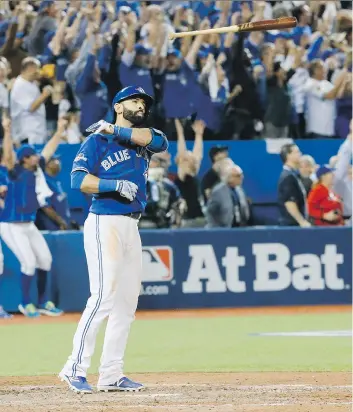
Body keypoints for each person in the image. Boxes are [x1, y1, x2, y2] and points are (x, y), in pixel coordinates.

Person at [59, 86, 168, 394]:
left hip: (132, 226)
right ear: (119, 105)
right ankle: (74, 367)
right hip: (104, 221)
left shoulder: (141, 140)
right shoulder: (97, 140)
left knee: (126, 301)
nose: (141, 106)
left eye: (144, 103)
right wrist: (112, 184)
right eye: (135, 101)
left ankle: (111, 373)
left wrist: (115, 128)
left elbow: (160, 141)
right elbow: (78, 180)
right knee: (104, 296)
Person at [0, 117, 65, 318]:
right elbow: (9, 156)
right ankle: (25, 303)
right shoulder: (15, 172)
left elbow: (49, 149)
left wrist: (59, 130)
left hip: (28, 224)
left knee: (45, 259)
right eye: (32, 156)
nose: (37, 157)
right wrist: (7, 131)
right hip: (11, 225)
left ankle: (44, 302)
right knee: (28, 262)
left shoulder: (37, 169)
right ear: (25, 159)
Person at [10, 57, 52, 145]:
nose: (38, 72)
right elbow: (31, 107)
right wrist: (44, 95)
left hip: (37, 130)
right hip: (27, 133)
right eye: (37, 69)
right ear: (30, 68)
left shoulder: (31, 83)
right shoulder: (20, 85)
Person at [174, 119, 205, 228]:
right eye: (186, 157)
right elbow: (183, 154)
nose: (189, 156)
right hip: (186, 219)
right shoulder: (182, 176)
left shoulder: (192, 176)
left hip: (198, 218)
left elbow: (197, 156)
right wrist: (180, 133)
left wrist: (199, 135)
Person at [277, 143, 311, 227]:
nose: (300, 154)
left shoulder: (293, 175)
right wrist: (302, 222)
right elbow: (289, 203)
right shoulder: (288, 177)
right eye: (297, 152)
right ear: (288, 156)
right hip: (291, 226)